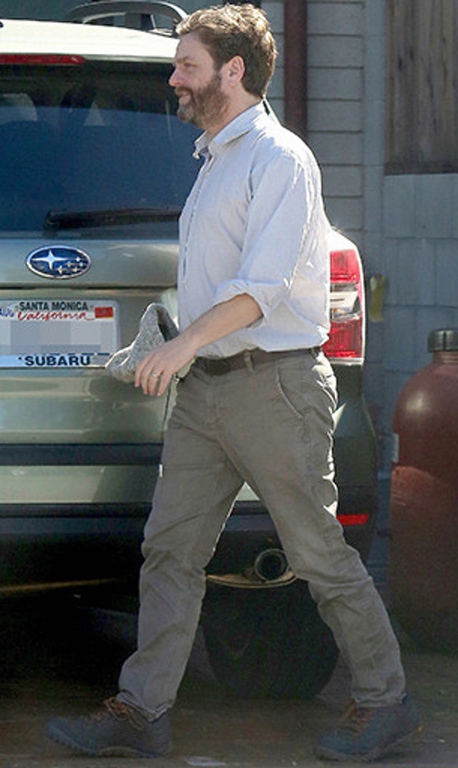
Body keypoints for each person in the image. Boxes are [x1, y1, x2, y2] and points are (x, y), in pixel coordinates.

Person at [46, 4, 421, 762]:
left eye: (186, 65)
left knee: (315, 553)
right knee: (170, 550)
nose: (175, 79)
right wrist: (174, 338)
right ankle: (142, 711)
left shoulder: (279, 160)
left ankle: (387, 702)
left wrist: (184, 343)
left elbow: (262, 288)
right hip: (206, 391)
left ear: (234, 70)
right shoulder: (214, 158)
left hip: (273, 389)